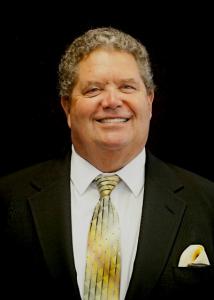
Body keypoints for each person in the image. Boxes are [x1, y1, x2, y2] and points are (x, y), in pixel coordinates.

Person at [0, 27, 213, 300]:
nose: (112, 101)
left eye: (127, 87)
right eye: (93, 89)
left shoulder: (207, 202)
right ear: (67, 107)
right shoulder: (7, 199)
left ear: (149, 101)